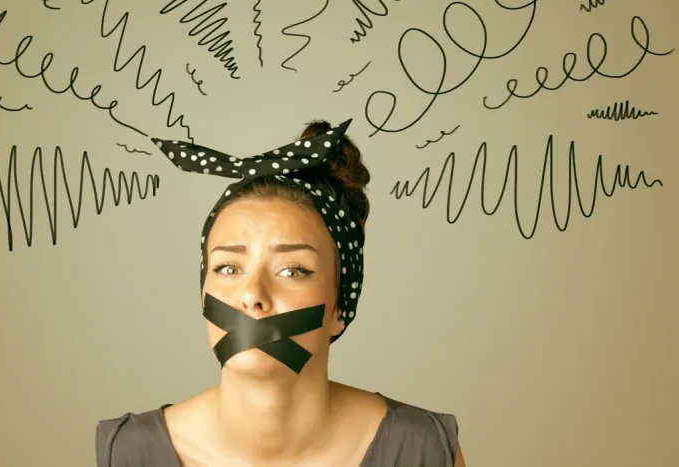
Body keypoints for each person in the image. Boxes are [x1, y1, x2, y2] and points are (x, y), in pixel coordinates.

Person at [95, 119, 466, 467]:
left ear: (340, 307)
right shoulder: (132, 452)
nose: (252, 295)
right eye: (228, 268)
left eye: (293, 270)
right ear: (203, 293)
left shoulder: (422, 449)